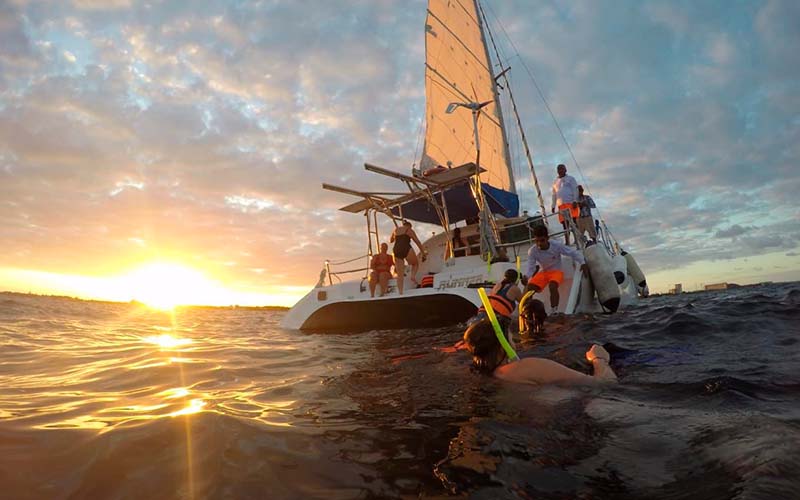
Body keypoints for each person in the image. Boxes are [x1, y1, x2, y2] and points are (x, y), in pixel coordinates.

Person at [463, 318, 617, 384]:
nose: (514, 342)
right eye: (511, 338)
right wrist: (598, 359)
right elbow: (604, 384)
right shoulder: (524, 367)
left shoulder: (491, 376)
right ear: (503, 344)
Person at [524, 224, 587, 315]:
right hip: (544, 272)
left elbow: (572, 253)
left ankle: (554, 311)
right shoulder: (532, 251)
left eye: (542, 240)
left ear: (547, 238)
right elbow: (531, 267)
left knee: (552, 286)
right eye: (537, 241)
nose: (539, 244)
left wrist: (583, 262)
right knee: (529, 288)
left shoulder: (556, 245)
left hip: (556, 271)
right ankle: (529, 310)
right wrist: (526, 276)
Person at [390, 220, 426, 294]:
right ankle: (412, 276)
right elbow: (417, 242)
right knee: (415, 264)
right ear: (409, 226)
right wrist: (423, 253)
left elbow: (391, 240)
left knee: (400, 275)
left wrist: (396, 234)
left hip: (396, 250)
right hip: (405, 247)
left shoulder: (396, 230)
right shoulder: (409, 230)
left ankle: (400, 293)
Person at [551, 164, 579, 245]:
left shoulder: (571, 179)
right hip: (561, 206)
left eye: (562, 169)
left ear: (565, 170)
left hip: (570, 204)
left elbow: (575, 189)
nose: (560, 170)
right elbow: (554, 194)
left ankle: (577, 240)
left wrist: (575, 201)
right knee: (564, 225)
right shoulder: (555, 182)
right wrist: (553, 206)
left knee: (573, 223)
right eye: (559, 169)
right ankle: (567, 242)